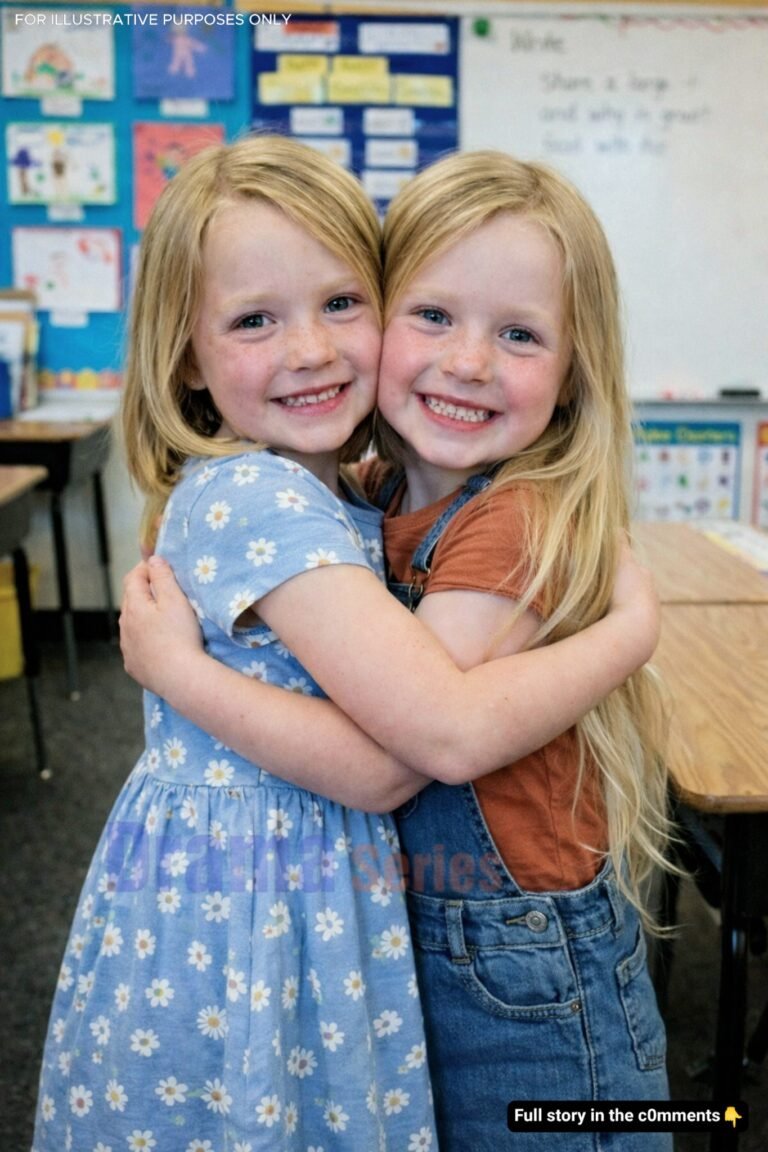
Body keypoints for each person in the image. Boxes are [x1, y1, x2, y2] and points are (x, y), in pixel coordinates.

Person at [118, 148, 673, 1151]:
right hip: (415, 941)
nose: (469, 362)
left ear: (577, 362)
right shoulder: (364, 496)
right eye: (432, 315)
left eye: (518, 333)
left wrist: (636, 632)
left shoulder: (512, 521)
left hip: (525, 975)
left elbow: (433, 743)